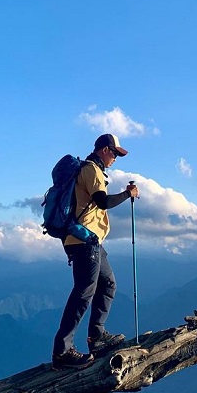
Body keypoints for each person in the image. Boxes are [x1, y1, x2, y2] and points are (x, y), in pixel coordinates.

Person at [52, 133, 140, 370]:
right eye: (114, 153)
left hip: (90, 241)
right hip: (84, 242)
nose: (115, 159)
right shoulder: (91, 170)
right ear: (104, 149)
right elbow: (102, 202)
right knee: (83, 293)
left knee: (108, 284)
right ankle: (62, 352)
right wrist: (127, 194)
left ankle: (97, 338)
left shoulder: (90, 169)